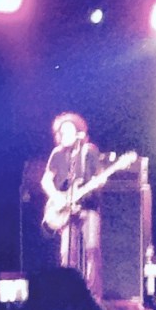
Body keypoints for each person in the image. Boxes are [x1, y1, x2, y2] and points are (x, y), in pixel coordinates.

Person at [41, 113, 104, 299]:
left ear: (79, 133)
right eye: (61, 132)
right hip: (66, 208)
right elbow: (46, 181)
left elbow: (99, 177)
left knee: (92, 249)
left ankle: (93, 296)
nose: (63, 135)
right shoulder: (57, 154)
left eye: (68, 131)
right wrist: (57, 197)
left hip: (88, 206)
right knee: (67, 253)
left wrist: (98, 182)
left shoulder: (89, 151)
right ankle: (67, 293)